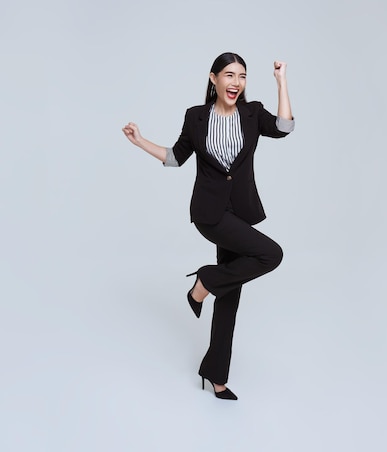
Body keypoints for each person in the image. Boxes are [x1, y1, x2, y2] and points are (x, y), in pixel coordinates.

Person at [122, 52, 294, 401]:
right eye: (229, 75)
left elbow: (284, 127)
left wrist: (281, 80)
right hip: (210, 213)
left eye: (242, 76)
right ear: (213, 78)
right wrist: (140, 141)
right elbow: (176, 157)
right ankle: (205, 281)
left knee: (229, 297)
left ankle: (215, 375)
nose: (236, 83)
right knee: (270, 254)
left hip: (241, 211)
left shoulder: (252, 112)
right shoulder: (196, 117)